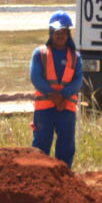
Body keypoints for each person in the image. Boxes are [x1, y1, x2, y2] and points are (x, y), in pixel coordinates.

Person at [30, 11, 83, 168]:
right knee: (40, 145)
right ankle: (39, 176)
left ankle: (64, 178)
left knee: (66, 146)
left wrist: (63, 97)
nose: (61, 36)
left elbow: (78, 81)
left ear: (68, 34)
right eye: (57, 32)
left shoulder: (75, 57)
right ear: (51, 33)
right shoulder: (39, 53)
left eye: (64, 32)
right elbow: (36, 78)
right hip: (44, 109)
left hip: (66, 108)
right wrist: (54, 97)